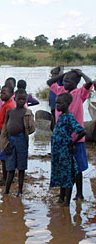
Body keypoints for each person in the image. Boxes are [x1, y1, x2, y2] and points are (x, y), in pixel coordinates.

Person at [47, 69, 94, 200]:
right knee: (63, 166)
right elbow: (50, 82)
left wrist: (79, 73)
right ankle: (63, 193)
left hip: (75, 139)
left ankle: (79, 193)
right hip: (62, 140)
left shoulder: (80, 93)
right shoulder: (61, 91)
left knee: (78, 167)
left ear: (76, 82)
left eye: (68, 81)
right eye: (64, 81)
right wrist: (63, 74)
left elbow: (89, 82)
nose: (65, 83)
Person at [50, 93, 86, 206]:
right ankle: (61, 197)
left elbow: (81, 131)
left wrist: (72, 144)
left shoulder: (69, 117)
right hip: (57, 151)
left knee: (67, 176)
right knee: (60, 174)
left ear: (67, 104)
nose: (57, 105)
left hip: (65, 151)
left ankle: (67, 201)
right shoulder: (60, 116)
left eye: (60, 103)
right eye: (56, 103)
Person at [0, 89, 35, 196]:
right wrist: (5, 144)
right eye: (19, 98)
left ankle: (19, 191)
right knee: (10, 167)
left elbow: (32, 128)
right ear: (14, 99)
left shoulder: (27, 113)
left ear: (26, 100)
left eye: (23, 99)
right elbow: (5, 128)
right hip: (10, 141)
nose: (21, 101)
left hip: (22, 141)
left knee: (21, 168)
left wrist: (24, 131)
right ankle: (7, 190)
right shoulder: (10, 112)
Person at [0, 85, 15, 186]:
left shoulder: (9, 106)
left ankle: (6, 179)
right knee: (3, 159)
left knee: (4, 159)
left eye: (4, 93)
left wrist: (1, 131)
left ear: (11, 94)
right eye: (1, 92)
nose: (1, 94)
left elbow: (9, 123)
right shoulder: (5, 105)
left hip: (3, 136)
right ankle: (5, 177)